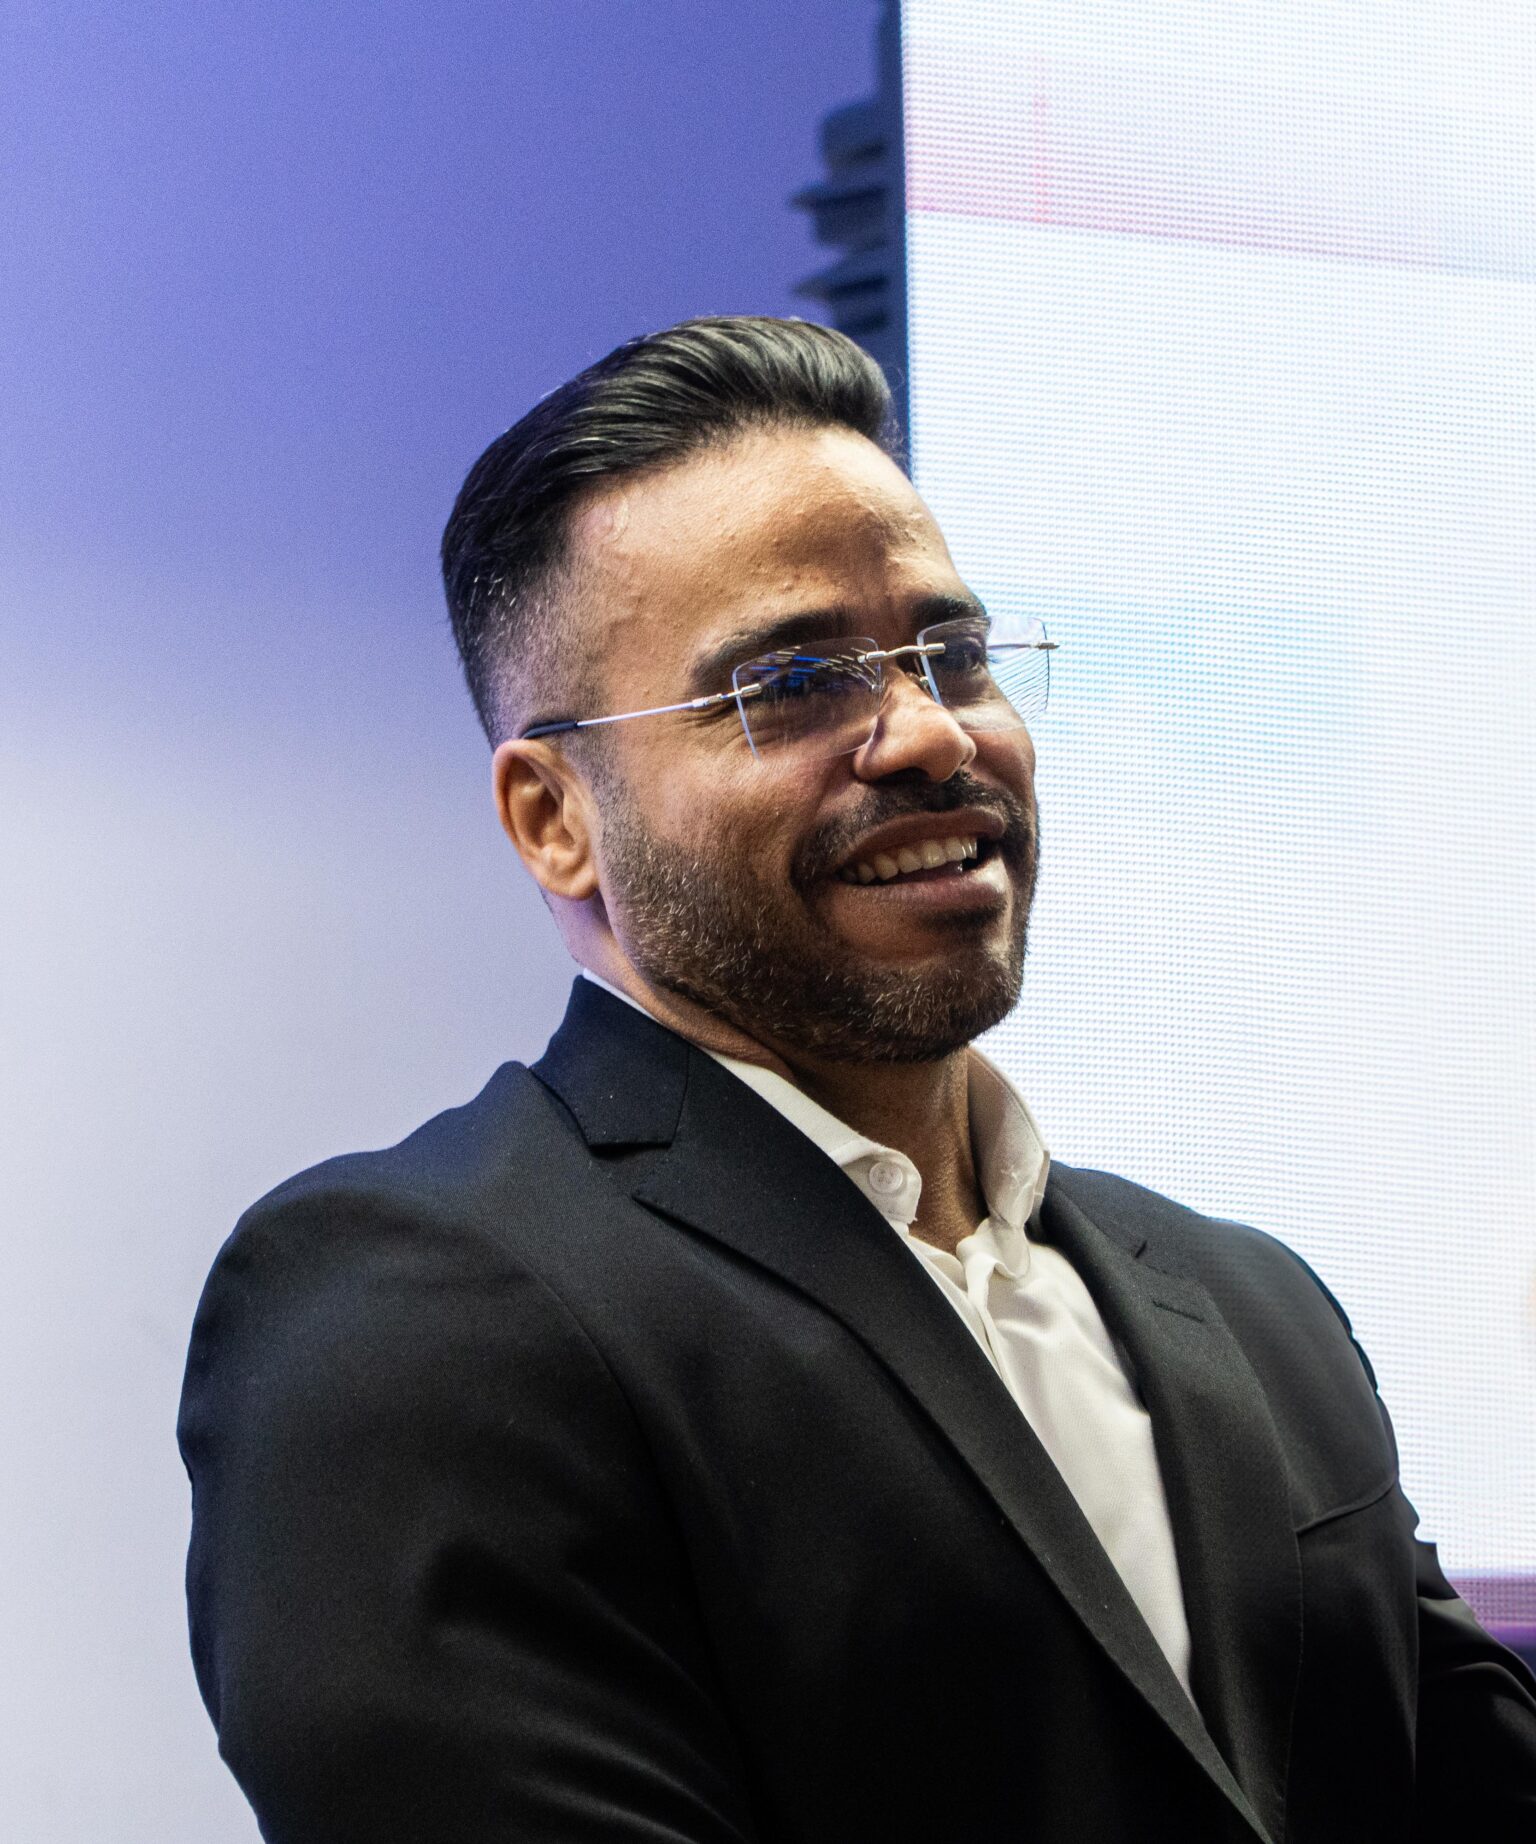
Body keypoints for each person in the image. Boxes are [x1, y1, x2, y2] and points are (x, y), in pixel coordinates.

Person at [178, 317, 1536, 1843]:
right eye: (796, 680)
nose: (934, 735)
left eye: (955, 656)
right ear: (555, 817)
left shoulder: (1253, 1304)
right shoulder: (419, 1310)